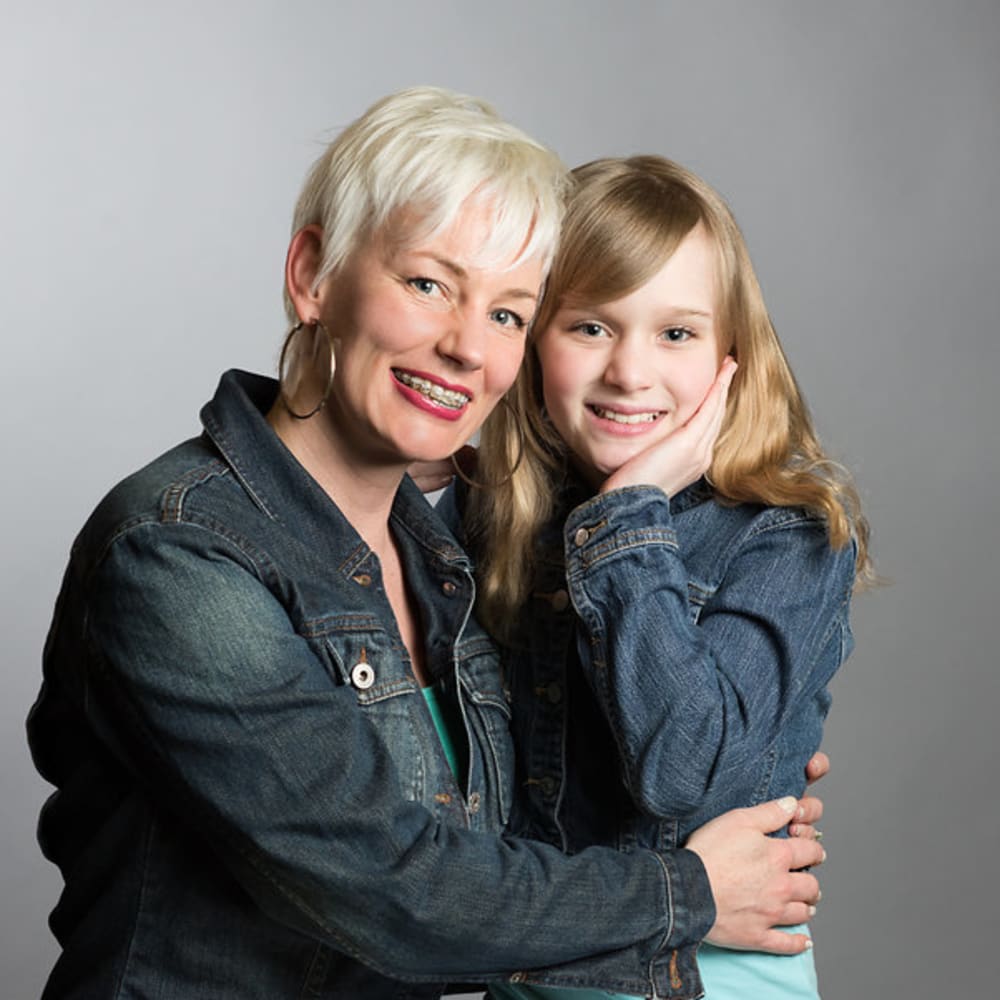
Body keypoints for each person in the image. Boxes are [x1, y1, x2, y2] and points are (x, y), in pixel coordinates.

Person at [27, 95, 824, 1000]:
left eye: (509, 314)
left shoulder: (463, 548)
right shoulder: (177, 555)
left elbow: (570, 789)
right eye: (428, 285)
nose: (463, 347)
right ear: (313, 275)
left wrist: (764, 755)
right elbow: (399, 895)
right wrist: (693, 894)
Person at [436, 155, 871, 999]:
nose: (630, 373)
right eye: (591, 327)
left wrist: (628, 511)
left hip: (709, 979)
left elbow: (683, 780)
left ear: (729, 356)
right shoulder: (490, 510)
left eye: (676, 333)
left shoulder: (787, 532)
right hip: (532, 968)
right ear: (531, 340)